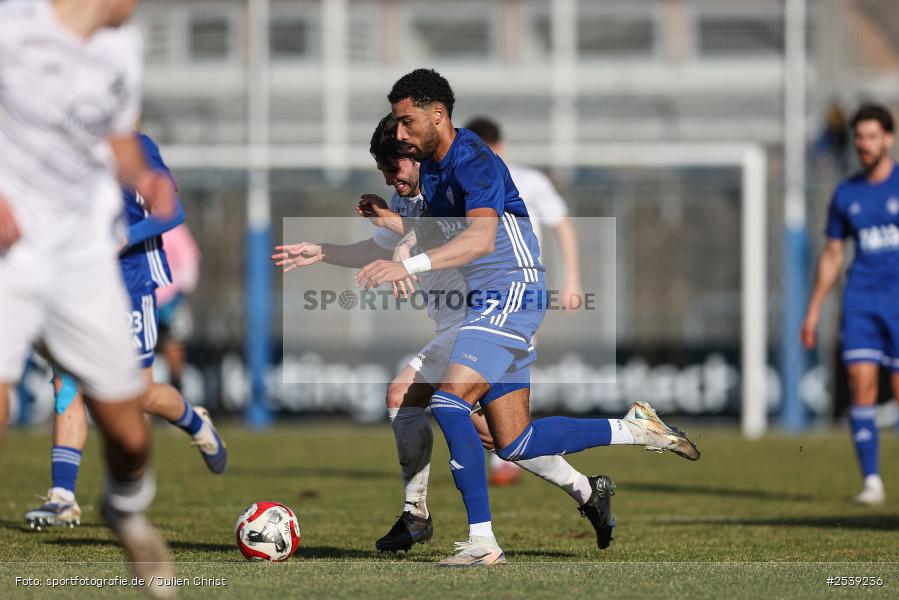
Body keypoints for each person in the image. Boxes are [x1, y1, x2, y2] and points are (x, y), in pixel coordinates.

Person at [355, 68, 699, 566]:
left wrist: (404, 262)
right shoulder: (431, 169)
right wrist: (390, 225)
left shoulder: (473, 160)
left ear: (438, 114)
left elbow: (479, 239)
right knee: (516, 442)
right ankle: (635, 429)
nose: (400, 133)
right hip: (486, 302)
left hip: (510, 293)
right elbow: (433, 230)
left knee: (450, 406)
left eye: (406, 122)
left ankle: (482, 542)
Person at [273, 114, 617, 554]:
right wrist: (322, 252)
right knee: (500, 437)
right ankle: (588, 491)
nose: (390, 178)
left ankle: (431, 520)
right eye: (382, 171)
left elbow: (457, 235)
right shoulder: (406, 202)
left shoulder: (448, 189)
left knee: (409, 397)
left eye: (394, 167)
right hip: (457, 324)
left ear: (416, 157)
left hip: (486, 318)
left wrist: (401, 240)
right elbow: (379, 247)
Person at [0, 0, 176, 591]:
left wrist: (143, 177)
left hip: (85, 255)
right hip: (15, 249)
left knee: (128, 435)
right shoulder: (11, 24)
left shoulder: (120, 44)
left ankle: (124, 508)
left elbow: (118, 138)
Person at [24, 134, 227, 531]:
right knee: (67, 385)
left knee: (139, 395)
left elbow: (173, 212)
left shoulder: (135, 146)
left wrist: (123, 238)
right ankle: (62, 498)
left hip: (132, 285)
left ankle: (195, 421)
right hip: (76, 287)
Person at [465, 116, 583, 486]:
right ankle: (510, 449)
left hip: (518, 293)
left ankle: (508, 456)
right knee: (479, 376)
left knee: (496, 373)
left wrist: (572, 277)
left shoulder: (528, 180)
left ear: (497, 148)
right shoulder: (467, 181)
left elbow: (561, 223)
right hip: (478, 293)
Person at [801, 103, 899, 506]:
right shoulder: (846, 193)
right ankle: (872, 481)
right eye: (859, 136)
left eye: (872, 136)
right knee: (861, 385)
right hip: (860, 301)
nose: (864, 143)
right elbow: (832, 255)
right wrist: (813, 310)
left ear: (888, 139)